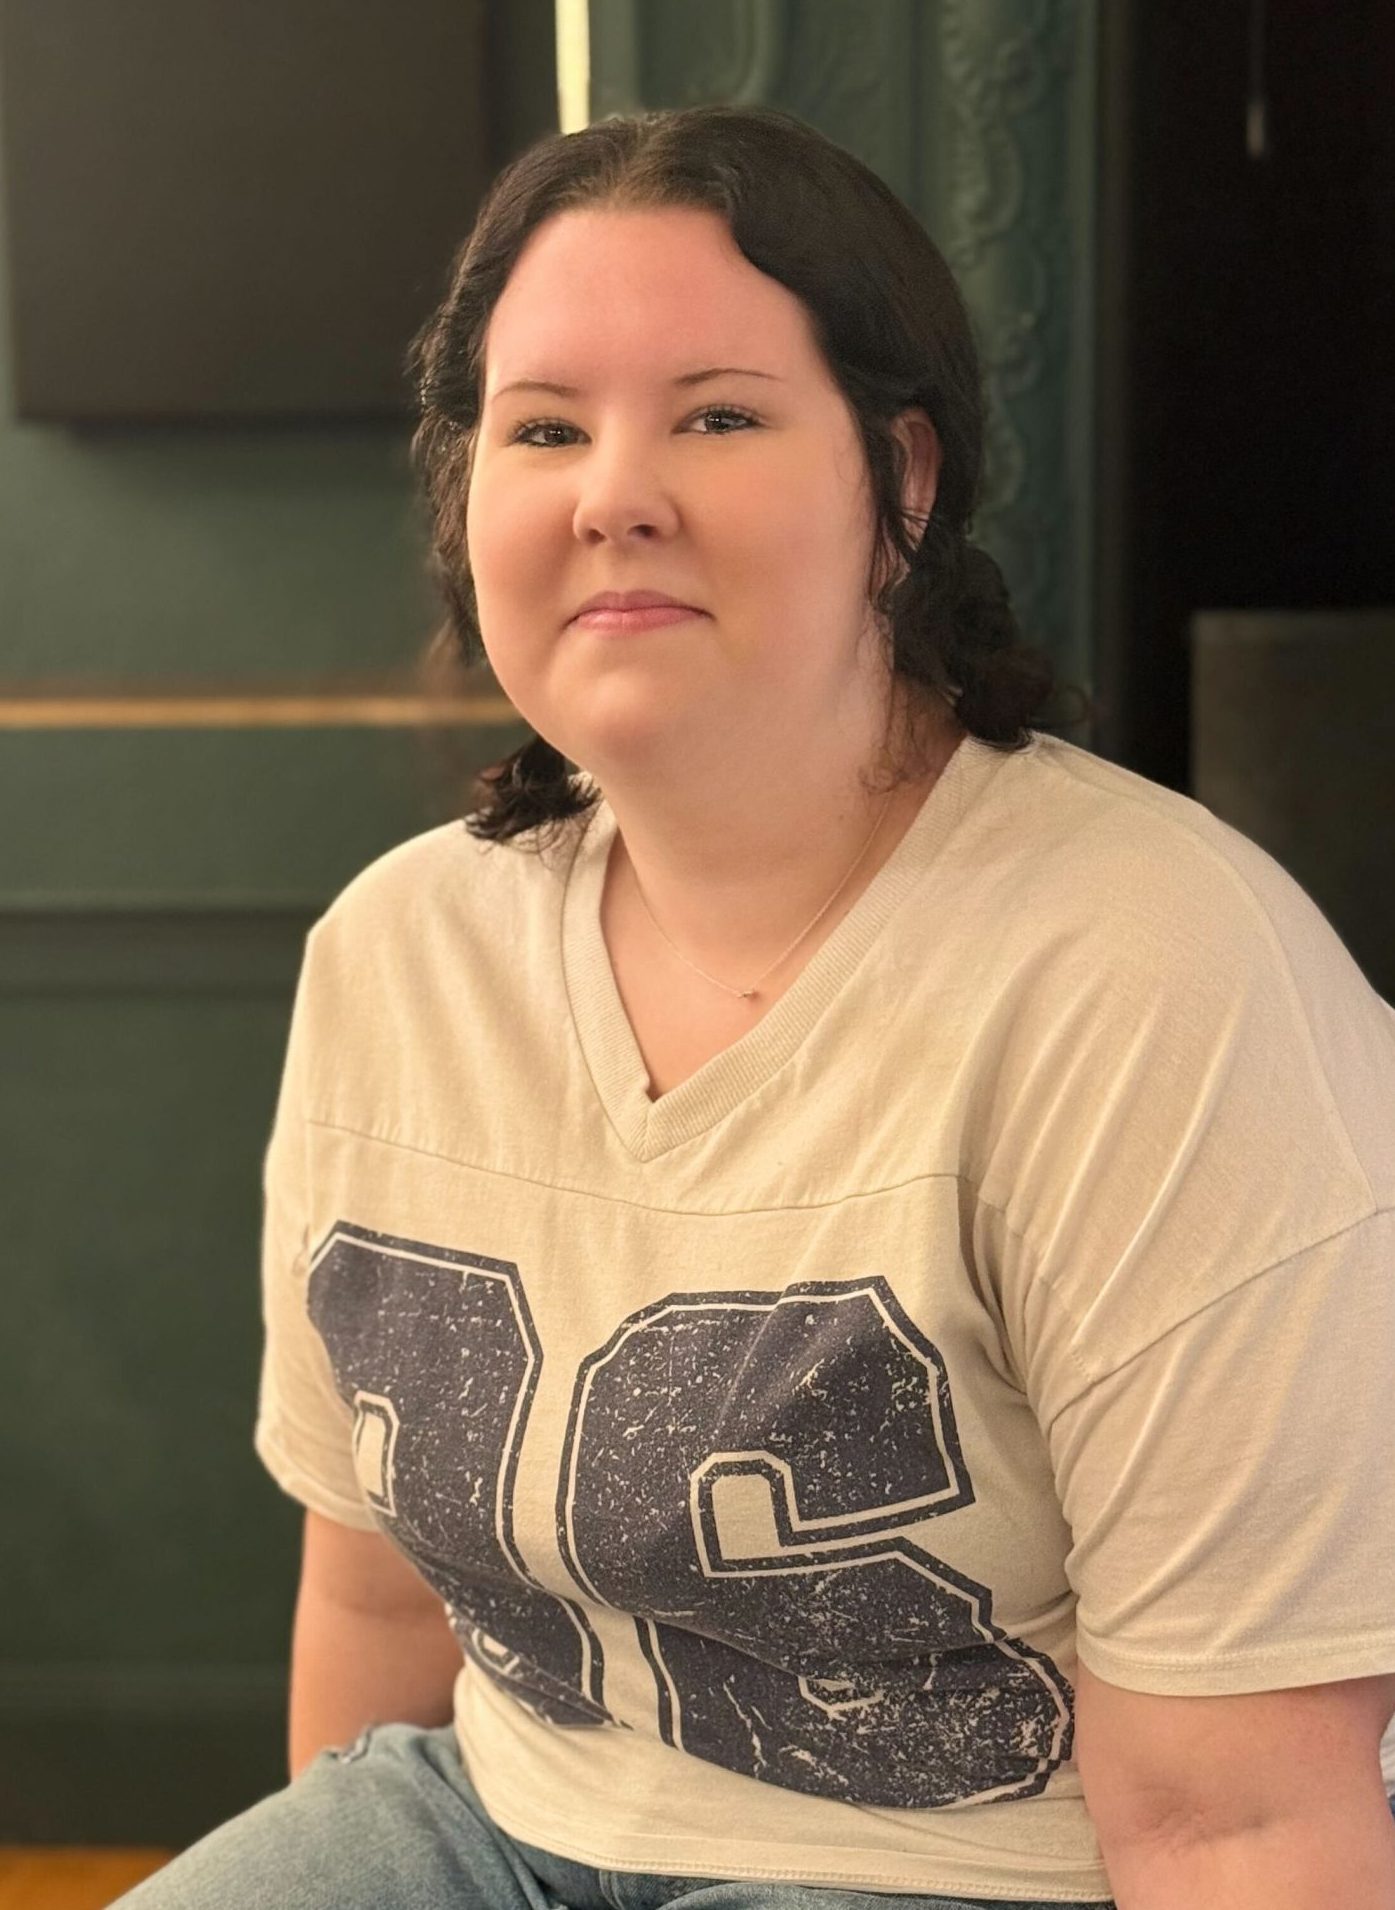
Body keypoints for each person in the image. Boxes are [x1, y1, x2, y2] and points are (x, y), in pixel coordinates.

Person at [117, 103, 1395, 1909]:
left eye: (717, 416)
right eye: (542, 427)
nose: (611, 492)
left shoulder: (1158, 974)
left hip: (984, 1872)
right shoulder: (396, 949)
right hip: (495, 1810)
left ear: (904, 481)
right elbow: (381, 1605)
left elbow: (1239, 1819)